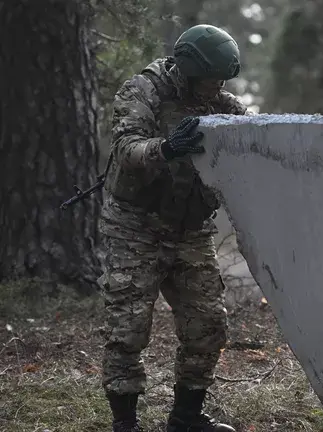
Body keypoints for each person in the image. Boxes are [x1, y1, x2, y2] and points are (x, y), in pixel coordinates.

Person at [97, 24, 249, 432]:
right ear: (187, 69)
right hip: (134, 226)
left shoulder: (223, 105)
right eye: (210, 78)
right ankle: (125, 423)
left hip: (190, 228)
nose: (216, 86)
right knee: (127, 329)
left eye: (221, 80)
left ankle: (186, 420)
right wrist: (164, 148)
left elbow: (255, 143)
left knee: (208, 326)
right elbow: (126, 147)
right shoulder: (143, 91)